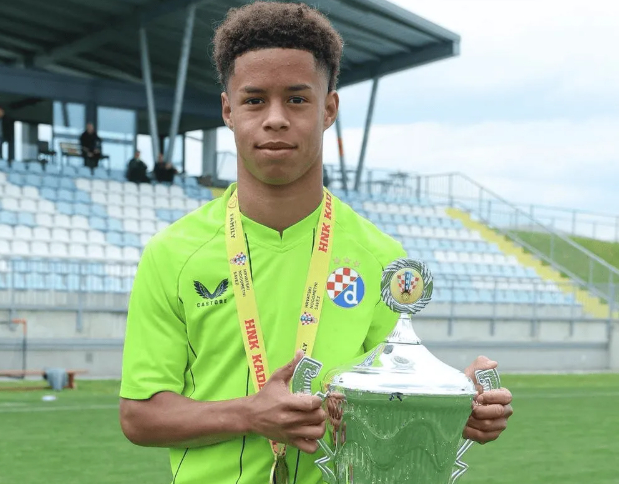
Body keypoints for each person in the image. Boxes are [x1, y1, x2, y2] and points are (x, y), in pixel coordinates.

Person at [118, 3, 514, 484]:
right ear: (228, 110)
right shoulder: (173, 253)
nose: (276, 119)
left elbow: (390, 404)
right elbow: (140, 416)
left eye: (297, 99)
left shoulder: (380, 258)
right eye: (254, 100)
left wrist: (452, 404)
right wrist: (250, 414)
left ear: (329, 109)